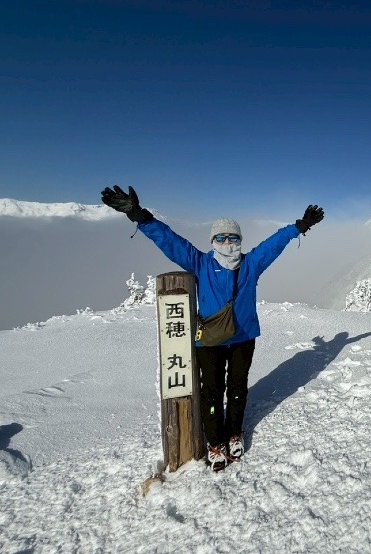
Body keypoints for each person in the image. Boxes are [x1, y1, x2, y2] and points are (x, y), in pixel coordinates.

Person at [101, 185, 324, 471]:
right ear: (213, 241)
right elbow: (170, 241)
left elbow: (273, 244)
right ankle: (215, 442)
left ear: (240, 240)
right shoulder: (201, 263)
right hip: (209, 340)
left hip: (243, 336)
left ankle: (234, 433)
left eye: (232, 237)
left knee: (238, 389)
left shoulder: (251, 264)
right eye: (221, 237)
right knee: (212, 392)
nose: (227, 242)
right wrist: (139, 215)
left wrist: (299, 227)